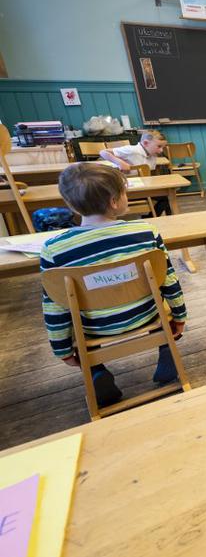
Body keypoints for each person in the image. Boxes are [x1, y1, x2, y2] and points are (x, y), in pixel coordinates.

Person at [40, 163, 187, 408]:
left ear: (71, 204)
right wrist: (180, 315)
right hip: (145, 315)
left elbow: (54, 305)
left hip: (94, 327)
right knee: (160, 308)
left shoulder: (54, 249)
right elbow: (168, 279)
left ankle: (96, 371)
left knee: (77, 315)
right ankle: (166, 350)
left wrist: (61, 348)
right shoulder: (145, 232)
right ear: (115, 201)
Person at [99, 130, 171, 216]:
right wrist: (120, 162)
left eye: (163, 147)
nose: (161, 151)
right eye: (159, 146)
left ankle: (149, 218)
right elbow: (103, 152)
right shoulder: (132, 150)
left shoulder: (152, 156)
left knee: (166, 197)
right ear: (145, 143)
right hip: (124, 191)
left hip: (141, 188)